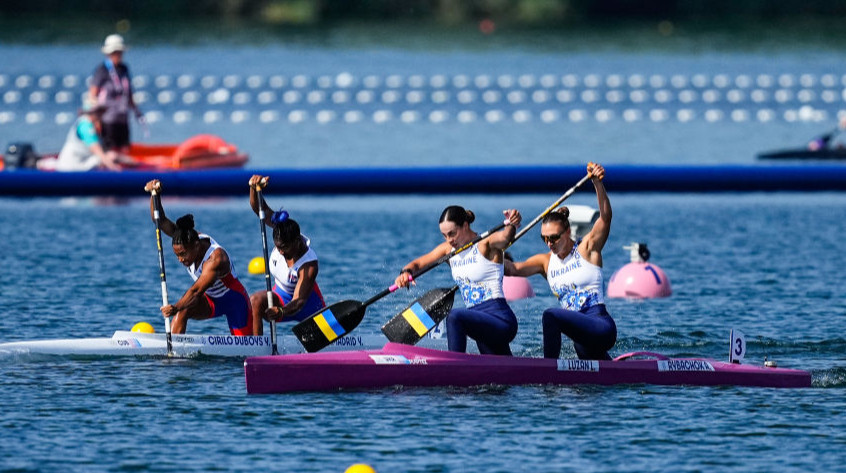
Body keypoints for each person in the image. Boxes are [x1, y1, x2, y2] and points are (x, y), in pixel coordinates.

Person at [505, 162, 616, 360]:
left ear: (567, 232)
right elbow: (512, 269)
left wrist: (598, 184)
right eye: (544, 239)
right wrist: (488, 250)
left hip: (600, 327)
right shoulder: (545, 262)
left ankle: (549, 371)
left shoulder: (587, 248)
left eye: (554, 237)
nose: (549, 243)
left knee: (550, 315)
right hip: (582, 341)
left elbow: (605, 218)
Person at [394, 206, 522, 355]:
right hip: (478, 324)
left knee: (455, 316)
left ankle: (453, 367)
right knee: (501, 372)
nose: (449, 240)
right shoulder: (449, 250)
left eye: (452, 234)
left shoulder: (485, 243)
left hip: (500, 321)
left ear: (465, 226)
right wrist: (405, 273)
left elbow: (505, 238)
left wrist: (512, 224)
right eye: (444, 235)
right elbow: (418, 264)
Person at [144, 179, 255, 335]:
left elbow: (196, 291)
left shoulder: (216, 258)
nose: (180, 259)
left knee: (245, 351)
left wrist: (175, 306)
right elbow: (160, 221)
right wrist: (154, 194)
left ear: (196, 245)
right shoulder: (184, 239)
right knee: (183, 310)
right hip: (210, 301)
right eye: (177, 255)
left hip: (234, 301)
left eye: (183, 254)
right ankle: (174, 352)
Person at [248, 175, 326, 335]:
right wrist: (253, 187)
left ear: (297, 241)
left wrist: (282, 312)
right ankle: (256, 346)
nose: (281, 252)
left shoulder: (309, 264)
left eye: (284, 248)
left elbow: (299, 301)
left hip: (307, 306)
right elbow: (258, 208)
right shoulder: (281, 229)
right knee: (256, 300)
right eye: (278, 248)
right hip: (280, 296)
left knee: (320, 337)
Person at [89, 34, 143, 153]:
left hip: (122, 117)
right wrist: (95, 118)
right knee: (110, 151)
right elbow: (92, 95)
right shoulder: (102, 70)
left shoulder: (124, 69)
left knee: (125, 149)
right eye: (114, 52)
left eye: (119, 52)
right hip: (107, 119)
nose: (117, 55)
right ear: (108, 53)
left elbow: (128, 92)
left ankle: (125, 170)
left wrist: (137, 111)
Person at [55, 98, 135, 171]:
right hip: (71, 168)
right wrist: (113, 167)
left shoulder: (91, 124)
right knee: (110, 157)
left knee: (112, 155)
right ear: (91, 112)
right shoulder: (85, 125)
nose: (101, 114)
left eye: (101, 111)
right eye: (99, 111)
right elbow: (97, 151)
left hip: (82, 162)